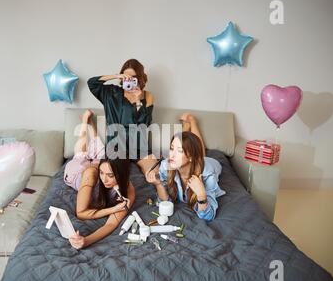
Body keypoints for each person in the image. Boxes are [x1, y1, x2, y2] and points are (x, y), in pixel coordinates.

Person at [64, 110, 135, 249]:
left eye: (110, 176)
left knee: (100, 153)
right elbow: (81, 213)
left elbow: (111, 224)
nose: (105, 180)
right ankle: (85, 122)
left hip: (98, 166)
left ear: (122, 175)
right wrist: (113, 209)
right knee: (80, 154)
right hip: (78, 173)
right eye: (103, 173)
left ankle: (91, 124)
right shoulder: (92, 174)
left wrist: (87, 240)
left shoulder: (128, 189)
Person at [145, 114, 225, 221]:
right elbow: (165, 201)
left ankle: (192, 121)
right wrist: (158, 184)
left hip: (210, 164)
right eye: (171, 148)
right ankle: (186, 130)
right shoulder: (166, 165)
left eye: (180, 151)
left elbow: (208, 215)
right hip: (193, 160)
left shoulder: (207, 176)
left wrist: (201, 194)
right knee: (194, 149)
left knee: (202, 154)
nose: (171, 155)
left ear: (191, 157)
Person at [87, 58, 157, 175]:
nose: (128, 79)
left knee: (155, 175)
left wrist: (138, 102)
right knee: (114, 176)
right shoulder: (110, 93)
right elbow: (91, 83)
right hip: (115, 145)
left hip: (139, 145)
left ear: (139, 78)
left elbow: (144, 125)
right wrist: (115, 76)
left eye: (132, 77)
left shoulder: (147, 96)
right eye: (126, 76)